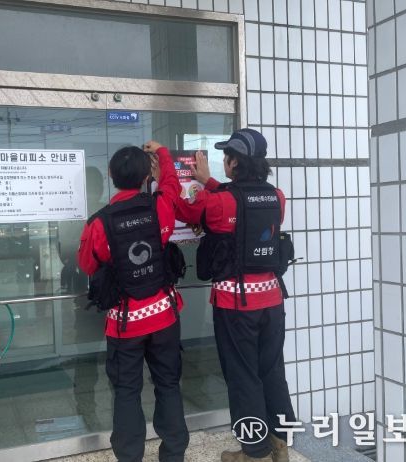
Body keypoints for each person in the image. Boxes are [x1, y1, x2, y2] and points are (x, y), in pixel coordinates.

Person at [176, 129, 296, 462]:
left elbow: (187, 212)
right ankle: (280, 445)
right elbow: (241, 206)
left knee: (243, 376)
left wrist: (185, 179)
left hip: (236, 304)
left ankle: (254, 453)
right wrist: (211, 182)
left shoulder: (217, 202)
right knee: (271, 371)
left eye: (226, 157)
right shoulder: (277, 197)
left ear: (233, 163)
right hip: (272, 300)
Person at [77, 142, 189, 462]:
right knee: (168, 384)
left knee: (127, 392)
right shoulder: (161, 205)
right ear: (144, 178)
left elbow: (87, 264)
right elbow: (172, 184)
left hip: (125, 325)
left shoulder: (99, 223)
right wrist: (162, 154)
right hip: (165, 316)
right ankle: (173, 455)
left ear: (111, 175)